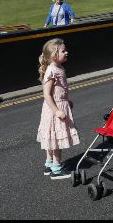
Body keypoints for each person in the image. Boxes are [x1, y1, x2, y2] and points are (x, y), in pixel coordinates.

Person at [36, 38, 80, 180]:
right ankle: (56, 168)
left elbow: (59, 91)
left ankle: (49, 164)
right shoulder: (52, 71)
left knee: (51, 137)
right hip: (54, 110)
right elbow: (47, 95)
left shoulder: (59, 68)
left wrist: (67, 101)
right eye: (63, 51)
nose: (67, 52)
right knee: (56, 139)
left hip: (60, 105)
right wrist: (57, 111)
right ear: (54, 55)